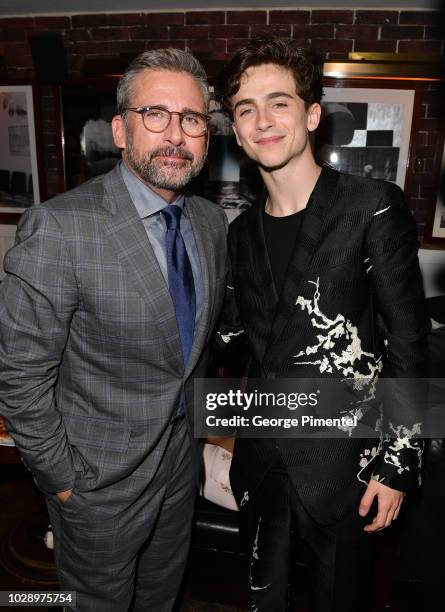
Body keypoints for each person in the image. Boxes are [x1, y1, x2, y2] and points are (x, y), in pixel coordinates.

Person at [0, 48, 227, 612]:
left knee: (161, 595)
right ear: (122, 131)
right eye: (156, 114)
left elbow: (191, 354)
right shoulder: (59, 228)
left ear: (205, 136)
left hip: (179, 467)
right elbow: (19, 376)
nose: (175, 134)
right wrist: (63, 480)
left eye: (191, 120)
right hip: (95, 483)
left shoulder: (210, 222)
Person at [214, 37, 430, 612]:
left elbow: (408, 343)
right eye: (246, 109)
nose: (264, 121)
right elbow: (238, 342)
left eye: (279, 103)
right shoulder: (238, 234)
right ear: (235, 131)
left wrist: (399, 465)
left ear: (311, 115)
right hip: (263, 461)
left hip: (350, 470)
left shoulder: (371, 206)